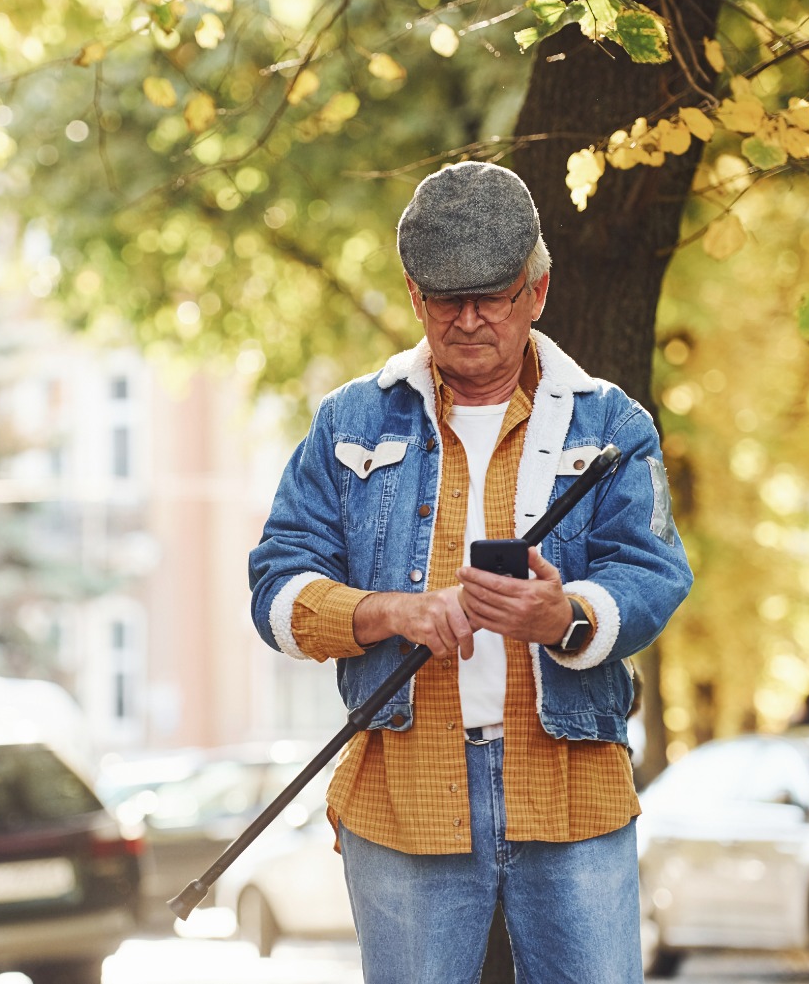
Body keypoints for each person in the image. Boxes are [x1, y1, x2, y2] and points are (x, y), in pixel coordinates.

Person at [248, 161, 693, 984]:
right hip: (405, 785)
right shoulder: (349, 421)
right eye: (446, 297)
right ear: (416, 298)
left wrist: (563, 617)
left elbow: (654, 571)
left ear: (538, 290)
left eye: (492, 293)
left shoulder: (611, 422)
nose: (470, 317)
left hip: (567, 779)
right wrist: (393, 613)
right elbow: (276, 585)